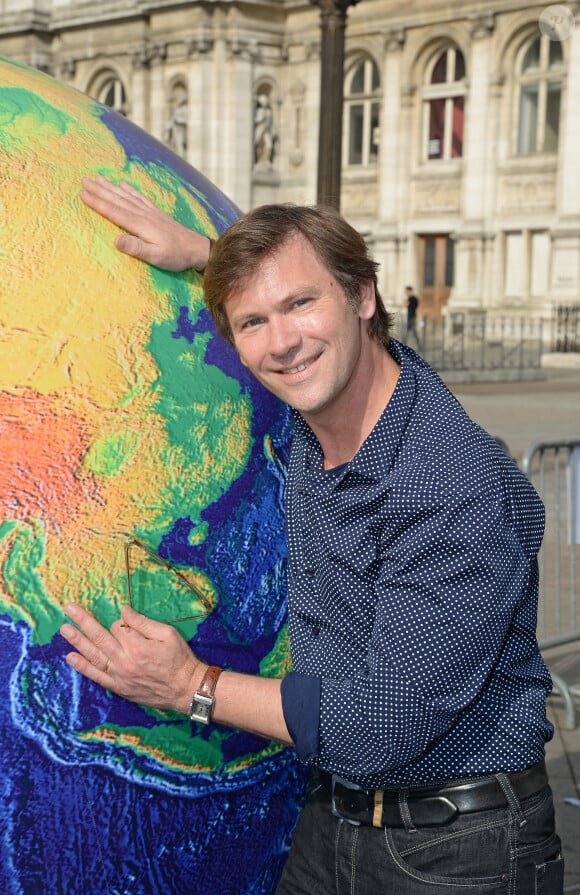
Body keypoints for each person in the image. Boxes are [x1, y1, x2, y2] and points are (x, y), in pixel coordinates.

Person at [61, 177, 564, 894]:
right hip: (335, 817)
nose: (283, 340)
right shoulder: (325, 412)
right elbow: (289, 317)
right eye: (253, 321)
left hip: (459, 849)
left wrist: (190, 686)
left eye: (301, 303)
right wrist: (207, 255)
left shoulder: (448, 485)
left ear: (364, 298)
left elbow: (376, 727)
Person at [404, 284, 422, 349]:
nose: (405, 293)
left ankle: (419, 345)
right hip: (413, 316)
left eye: (406, 291)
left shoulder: (410, 298)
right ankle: (418, 344)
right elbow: (419, 307)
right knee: (408, 332)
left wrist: (405, 302)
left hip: (411, 317)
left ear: (409, 291)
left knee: (411, 332)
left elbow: (405, 305)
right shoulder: (415, 298)